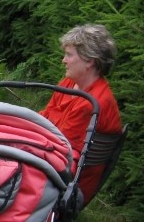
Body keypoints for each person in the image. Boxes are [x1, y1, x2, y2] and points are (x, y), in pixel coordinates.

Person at [40, 23, 122, 207]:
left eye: (69, 55)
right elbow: (45, 118)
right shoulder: (69, 84)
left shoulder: (93, 103)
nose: (64, 60)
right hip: (51, 163)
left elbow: (63, 150)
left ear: (89, 61)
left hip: (66, 185)